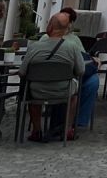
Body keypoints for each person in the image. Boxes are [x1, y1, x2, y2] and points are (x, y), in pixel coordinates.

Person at [22, 12, 86, 140]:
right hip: (63, 91)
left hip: (37, 92)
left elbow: (22, 72)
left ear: (49, 27)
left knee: (30, 92)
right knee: (74, 96)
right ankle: (68, 129)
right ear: (66, 29)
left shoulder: (34, 47)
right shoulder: (72, 47)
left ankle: (37, 130)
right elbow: (81, 71)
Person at [58, 7, 100, 131]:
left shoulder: (74, 39)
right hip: (60, 76)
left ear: (71, 23)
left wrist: (93, 58)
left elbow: (83, 57)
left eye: (68, 20)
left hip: (75, 73)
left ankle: (80, 120)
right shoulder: (47, 38)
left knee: (93, 81)